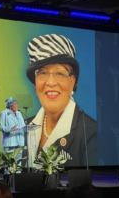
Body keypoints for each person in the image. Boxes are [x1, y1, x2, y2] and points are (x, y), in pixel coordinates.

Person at [25, 34, 98, 166]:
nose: (51, 82)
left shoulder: (91, 132)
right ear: (35, 84)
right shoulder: (24, 127)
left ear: (73, 81)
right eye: (42, 73)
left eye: (59, 73)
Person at [0, 97, 26, 171]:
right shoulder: (4, 113)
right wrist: (11, 129)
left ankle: (16, 180)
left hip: (19, 141)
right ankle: (9, 180)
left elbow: (23, 125)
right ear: (10, 106)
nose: (17, 105)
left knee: (17, 164)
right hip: (10, 142)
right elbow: (1, 127)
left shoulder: (19, 113)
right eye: (15, 104)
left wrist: (26, 126)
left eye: (17, 103)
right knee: (9, 164)